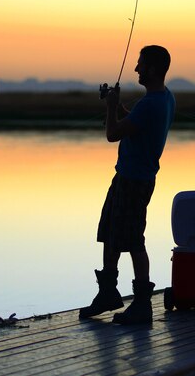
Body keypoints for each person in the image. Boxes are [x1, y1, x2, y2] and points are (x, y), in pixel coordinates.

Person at [79, 45, 176, 325]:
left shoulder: (151, 104)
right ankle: (108, 293)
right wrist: (119, 106)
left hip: (135, 180)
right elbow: (134, 124)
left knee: (133, 239)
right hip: (128, 177)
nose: (136, 69)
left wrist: (110, 108)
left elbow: (112, 134)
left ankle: (143, 304)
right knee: (111, 231)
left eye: (141, 64)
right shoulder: (165, 98)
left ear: (153, 70)